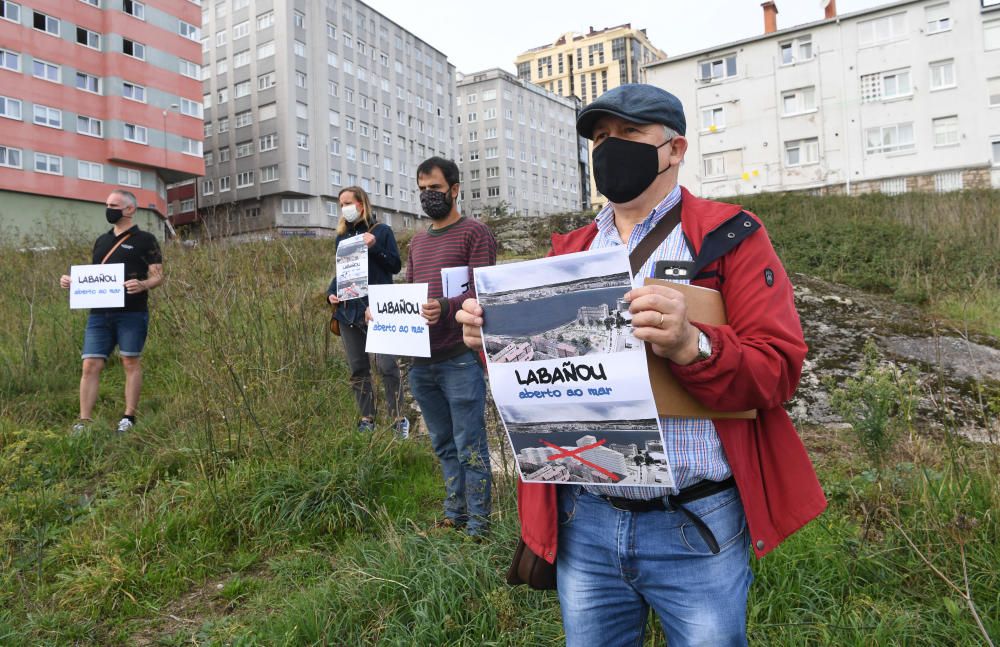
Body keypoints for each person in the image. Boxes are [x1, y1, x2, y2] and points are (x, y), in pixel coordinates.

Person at [457, 85, 826, 645]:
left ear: (674, 149)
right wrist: (492, 344)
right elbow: (541, 385)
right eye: (600, 137)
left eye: (628, 134)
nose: (609, 148)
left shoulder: (732, 239)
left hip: (694, 523)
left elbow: (778, 371)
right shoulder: (565, 254)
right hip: (587, 518)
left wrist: (692, 345)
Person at [407, 156, 497, 538]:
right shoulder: (416, 242)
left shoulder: (475, 234)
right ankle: (453, 514)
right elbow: (409, 294)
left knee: (469, 444)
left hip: (460, 358)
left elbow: (483, 293)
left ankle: (478, 525)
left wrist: (446, 307)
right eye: (423, 190)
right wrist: (384, 318)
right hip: (420, 362)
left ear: (455, 189)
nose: (429, 196)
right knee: (443, 443)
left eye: (436, 189)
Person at [59, 190, 164, 434]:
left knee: (130, 361)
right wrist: (72, 281)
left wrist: (143, 284)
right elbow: (95, 278)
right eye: (107, 204)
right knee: (90, 365)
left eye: (114, 205)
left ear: (130, 209)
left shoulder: (146, 239)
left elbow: (158, 276)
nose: (109, 209)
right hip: (99, 314)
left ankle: (129, 417)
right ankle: (84, 421)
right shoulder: (101, 241)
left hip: (132, 312)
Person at [326, 186, 406, 436]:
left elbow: (394, 265)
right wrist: (331, 292)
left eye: (348, 202)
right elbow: (343, 272)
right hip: (349, 310)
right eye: (341, 204)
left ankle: (398, 419)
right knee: (358, 368)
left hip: (379, 308)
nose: (344, 208)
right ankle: (366, 418)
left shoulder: (382, 231)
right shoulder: (342, 237)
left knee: (387, 366)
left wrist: (374, 247)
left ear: (362, 204)